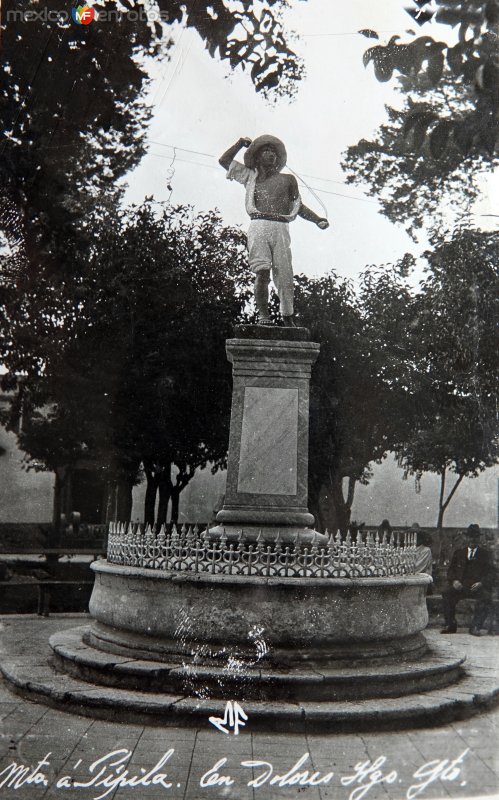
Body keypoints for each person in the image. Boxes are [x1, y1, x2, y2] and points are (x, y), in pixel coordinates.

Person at [219, 135, 329, 327]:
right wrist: (239, 144)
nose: (271, 156)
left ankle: (287, 316)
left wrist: (317, 219)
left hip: (280, 227)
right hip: (259, 226)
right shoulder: (250, 177)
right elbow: (224, 161)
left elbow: (298, 206)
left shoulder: (288, 180)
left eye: (274, 153)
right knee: (262, 272)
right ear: (257, 157)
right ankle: (264, 316)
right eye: (266, 152)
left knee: (285, 274)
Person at [441, 523, 496, 636]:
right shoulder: (459, 553)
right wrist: (454, 581)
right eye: (470, 536)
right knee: (447, 593)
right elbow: (450, 571)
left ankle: (476, 626)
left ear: (479, 538)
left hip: (478, 588)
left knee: (486, 598)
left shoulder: (485, 555)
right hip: (461, 587)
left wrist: (481, 583)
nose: (473, 539)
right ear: (466, 537)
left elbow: (492, 573)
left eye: (475, 537)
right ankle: (450, 625)